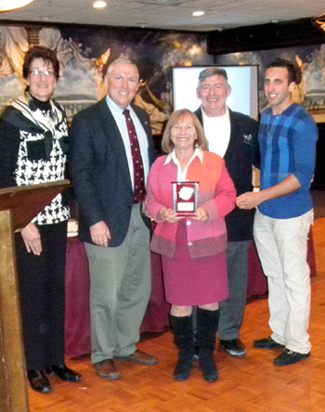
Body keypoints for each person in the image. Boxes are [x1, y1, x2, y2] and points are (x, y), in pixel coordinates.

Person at [69, 57, 157, 381]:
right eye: (118, 78)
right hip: (105, 220)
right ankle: (103, 354)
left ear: (138, 85)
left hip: (140, 215)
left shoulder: (143, 117)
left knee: (137, 287)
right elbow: (80, 173)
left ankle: (126, 345)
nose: (125, 85)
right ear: (105, 80)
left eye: (132, 80)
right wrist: (94, 220)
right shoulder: (87, 120)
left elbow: (149, 164)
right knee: (106, 294)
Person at [0, 46, 82, 394]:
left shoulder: (60, 114)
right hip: (27, 222)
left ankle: (55, 360)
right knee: (32, 294)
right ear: (26, 78)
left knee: (54, 291)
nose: (42, 78)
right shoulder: (12, 118)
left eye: (48, 72)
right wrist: (23, 222)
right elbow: (4, 176)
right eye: (35, 72)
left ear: (56, 77)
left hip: (57, 218)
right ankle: (34, 365)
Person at [236, 58, 318, 366]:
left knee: (294, 278)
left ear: (292, 86)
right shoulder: (266, 116)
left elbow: (301, 175)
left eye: (277, 82)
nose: (270, 88)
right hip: (266, 212)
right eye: (267, 82)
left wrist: (259, 197)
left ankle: (299, 343)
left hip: (292, 213)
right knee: (275, 275)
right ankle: (281, 334)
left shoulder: (303, 122)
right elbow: (265, 162)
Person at [145, 109, 236, 382]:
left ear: (197, 132)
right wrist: (161, 213)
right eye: (177, 127)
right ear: (169, 132)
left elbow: (229, 195)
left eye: (188, 127)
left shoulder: (213, 162)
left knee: (209, 301)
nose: (182, 132)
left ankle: (206, 354)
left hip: (207, 240)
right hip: (175, 244)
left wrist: (208, 209)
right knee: (180, 304)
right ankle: (185, 354)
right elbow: (149, 200)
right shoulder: (159, 165)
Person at [194, 68, 259, 357]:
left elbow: (263, 163)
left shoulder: (248, 126)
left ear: (228, 91)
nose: (211, 93)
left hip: (238, 215)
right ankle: (197, 336)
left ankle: (230, 334)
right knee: (198, 277)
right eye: (206, 87)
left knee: (235, 277)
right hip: (197, 218)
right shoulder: (186, 124)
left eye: (217, 86)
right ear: (198, 92)